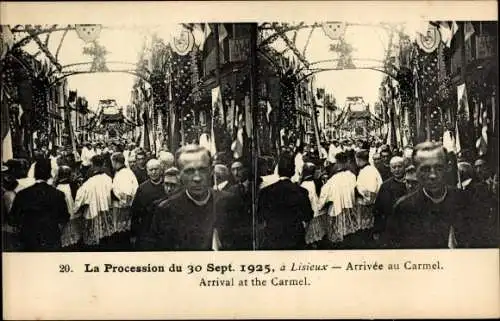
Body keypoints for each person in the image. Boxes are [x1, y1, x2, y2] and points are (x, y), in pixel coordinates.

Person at [139, 145, 232, 251]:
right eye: (189, 171)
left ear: (211, 171)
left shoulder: (229, 203)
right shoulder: (166, 211)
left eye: (202, 170)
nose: (197, 178)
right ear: (180, 175)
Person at [385, 142, 470, 249]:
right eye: (425, 169)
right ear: (416, 171)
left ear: (447, 168)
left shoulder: (466, 201)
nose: (433, 175)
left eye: (438, 168)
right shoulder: (403, 209)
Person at [10, 159, 69, 251]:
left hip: (29, 239)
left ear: (34, 174)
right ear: (49, 174)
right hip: (51, 238)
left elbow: (13, 219)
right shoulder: (58, 194)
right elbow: (64, 218)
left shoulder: (22, 194)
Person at [257, 151, 313, 250]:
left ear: (278, 172)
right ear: (293, 171)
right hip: (295, 239)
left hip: (273, 239)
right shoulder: (301, 191)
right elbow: (308, 216)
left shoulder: (266, 192)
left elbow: (261, 216)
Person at [73, 155, 114, 250]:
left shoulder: (89, 183)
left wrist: (75, 209)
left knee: (93, 243)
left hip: (93, 212)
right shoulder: (107, 178)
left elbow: (80, 199)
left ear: (92, 165)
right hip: (106, 209)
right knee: (106, 238)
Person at [317, 152, 358, 246]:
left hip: (336, 211)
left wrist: (319, 206)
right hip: (350, 208)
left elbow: (324, 196)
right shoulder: (352, 176)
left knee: (337, 240)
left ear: (337, 163)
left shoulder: (332, 180)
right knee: (350, 236)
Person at [130, 159, 166, 248]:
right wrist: (134, 233)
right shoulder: (142, 188)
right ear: (147, 172)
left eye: (156, 169)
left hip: (164, 229)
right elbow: (135, 212)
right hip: (147, 230)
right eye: (151, 170)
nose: (154, 172)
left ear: (161, 170)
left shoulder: (167, 186)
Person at [373, 156, 407, 242]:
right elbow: (378, 210)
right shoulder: (385, 186)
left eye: (400, 166)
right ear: (390, 169)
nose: (397, 169)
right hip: (390, 227)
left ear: (404, 167)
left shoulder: (410, 184)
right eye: (394, 167)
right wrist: (377, 230)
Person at [109, 152, 139, 250]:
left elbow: (127, 195)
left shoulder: (124, 174)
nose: (111, 164)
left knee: (122, 233)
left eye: (112, 161)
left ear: (115, 161)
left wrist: (115, 196)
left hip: (123, 208)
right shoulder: (123, 172)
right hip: (121, 206)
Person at [353, 149, 382, 248]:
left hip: (368, 207)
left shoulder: (369, 171)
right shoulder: (368, 170)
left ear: (358, 159)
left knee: (367, 233)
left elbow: (371, 193)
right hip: (366, 205)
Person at [55, 166, 81, 250]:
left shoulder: (56, 187)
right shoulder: (73, 185)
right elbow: (77, 199)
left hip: (63, 215)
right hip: (73, 213)